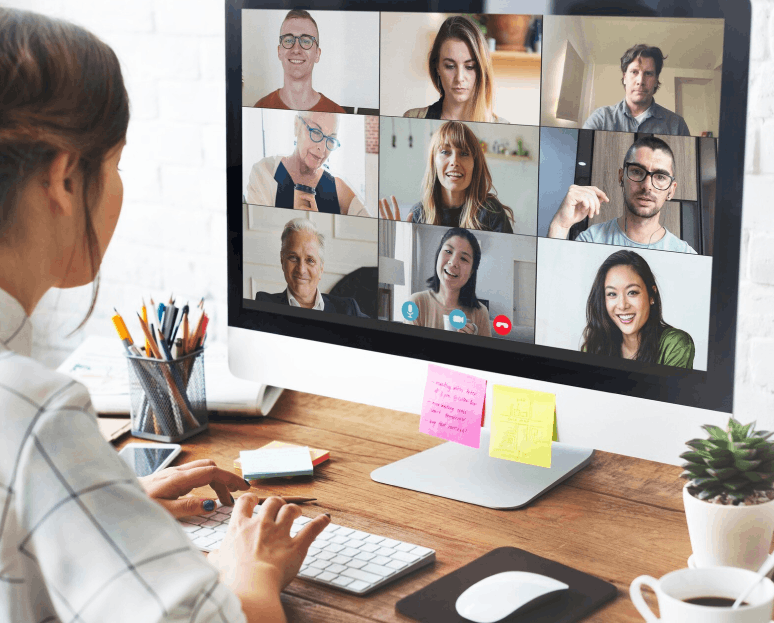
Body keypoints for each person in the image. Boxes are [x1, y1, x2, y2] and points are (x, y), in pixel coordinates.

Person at [0, 9, 329, 623]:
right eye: (117, 163)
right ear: (64, 177)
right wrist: (253, 570)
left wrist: (101, 507)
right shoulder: (32, 413)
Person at [547, 136, 697, 254]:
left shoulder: (685, 254)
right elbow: (554, 284)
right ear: (621, 177)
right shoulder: (591, 240)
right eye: (637, 172)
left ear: (671, 190)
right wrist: (560, 225)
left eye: (660, 177)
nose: (647, 186)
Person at [379, 121, 514, 233]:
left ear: (475, 164)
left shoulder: (491, 212)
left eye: (464, 153)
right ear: (433, 162)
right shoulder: (418, 214)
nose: (454, 161)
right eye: (445, 152)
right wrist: (398, 245)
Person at [582, 250, 695, 368]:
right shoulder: (594, 347)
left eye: (632, 292)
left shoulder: (675, 344)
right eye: (612, 294)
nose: (622, 305)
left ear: (651, 295)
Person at [246, 111, 368, 216]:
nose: (322, 148)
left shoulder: (339, 189)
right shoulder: (264, 172)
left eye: (330, 139)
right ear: (296, 126)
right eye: (315, 132)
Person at [403, 15, 507, 123]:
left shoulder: (503, 126)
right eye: (450, 66)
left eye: (469, 67)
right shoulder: (413, 119)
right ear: (437, 67)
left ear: (482, 70)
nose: (459, 78)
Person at [255, 218, 369, 317]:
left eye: (310, 260)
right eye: (293, 258)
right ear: (282, 260)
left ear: (321, 268)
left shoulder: (348, 309)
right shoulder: (264, 303)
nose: (301, 269)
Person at [582, 44, 690, 136]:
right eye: (634, 72)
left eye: (648, 73)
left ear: (656, 80)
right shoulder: (601, 119)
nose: (640, 81)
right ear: (624, 77)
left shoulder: (677, 125)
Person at [254, 9, 346, 113]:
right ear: (279, 51)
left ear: (317, 54)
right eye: (288, 40)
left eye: (306, 41)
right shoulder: (260, 108)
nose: (296, 49)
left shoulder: (338, 114)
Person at [405, 228, 492, 336]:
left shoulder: (480, 313)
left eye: (464, 259)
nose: (453, 262)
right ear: (438, 255)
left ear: (471, 272)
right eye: (448, 251)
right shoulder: (416, 303)